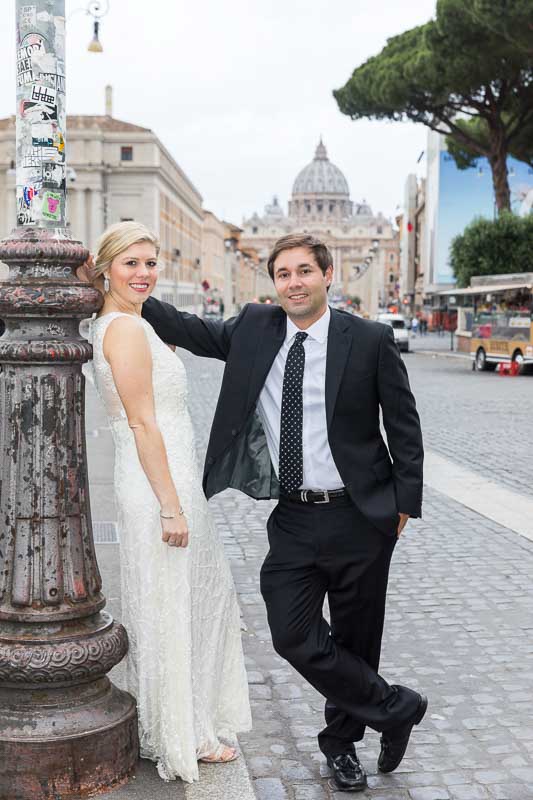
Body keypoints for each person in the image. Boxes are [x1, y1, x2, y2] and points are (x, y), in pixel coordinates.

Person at [140, 232, 426, 793]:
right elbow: (188, 331)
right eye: (283, 274)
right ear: (274, 284)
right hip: (294, 517)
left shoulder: (367, 339)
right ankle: (395, 708)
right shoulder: (255, 328)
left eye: (303, 272)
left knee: (356, 638)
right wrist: (125, 288)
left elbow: (405, 426)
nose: (293, 283)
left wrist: (403, 505)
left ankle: (341, 745)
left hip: (360, 517)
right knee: (291, 634)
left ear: (327, 275)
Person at [82, 221, 251, 784]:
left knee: (182, 600)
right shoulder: (125, 331)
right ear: (106, 268)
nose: (144, 273)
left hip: (168, 478)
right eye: (131, 263)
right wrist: (171, 507)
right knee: (174, 604)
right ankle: (184, 732)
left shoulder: (134, 323)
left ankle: (186, 720)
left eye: (151, 263)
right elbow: (141, 420)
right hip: (159, 483)